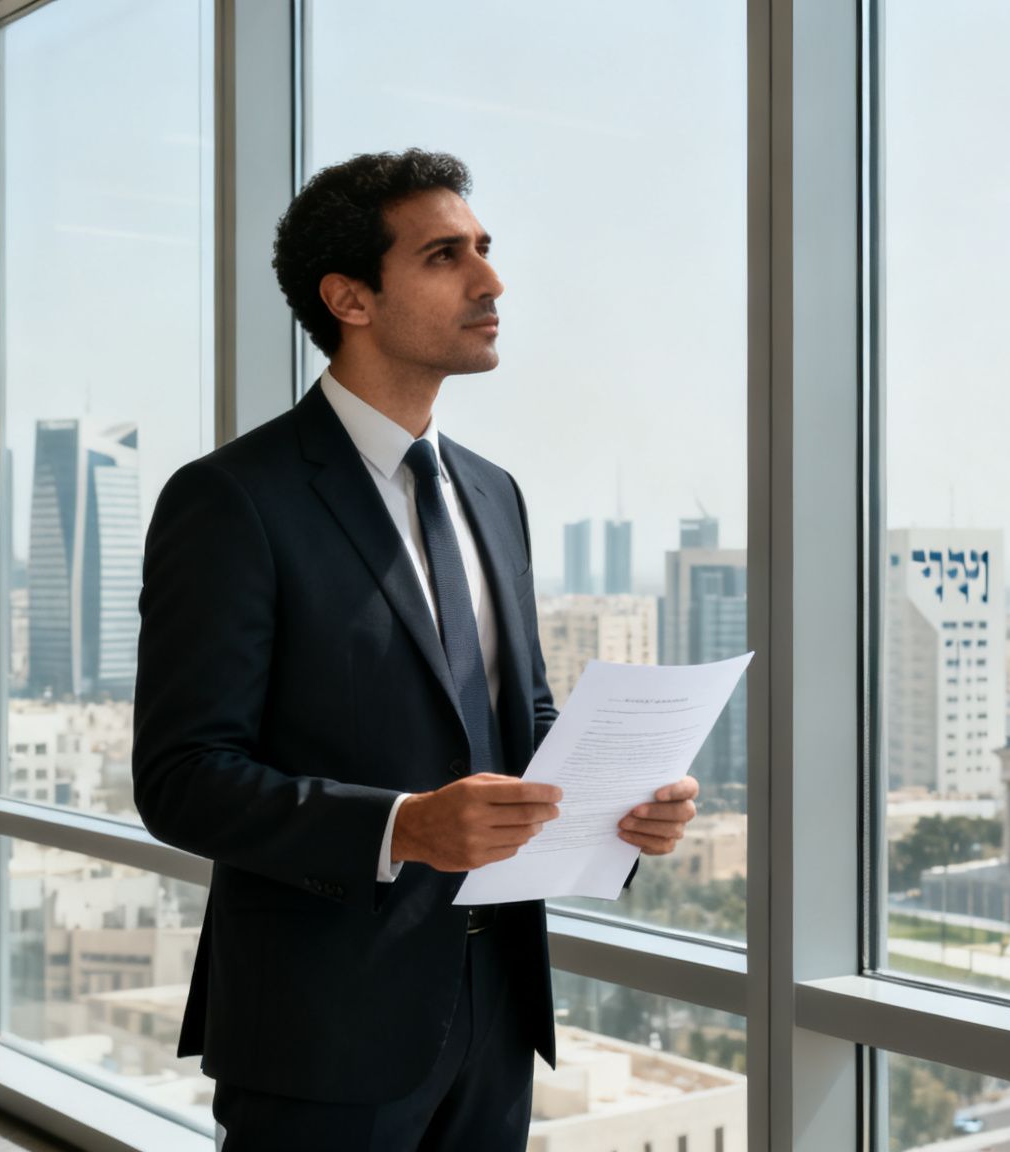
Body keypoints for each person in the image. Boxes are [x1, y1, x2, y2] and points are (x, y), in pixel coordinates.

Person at [133, 148, 702, 1150]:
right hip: (321, 1025)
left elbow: (512, 716)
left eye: (484, 249)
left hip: (496, 1010)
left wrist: (621, 805)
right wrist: (401, 827)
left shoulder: (493, 492)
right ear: (348, 297)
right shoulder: (233, 500)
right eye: (446, 256)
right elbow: (182, 778)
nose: (490, 281)